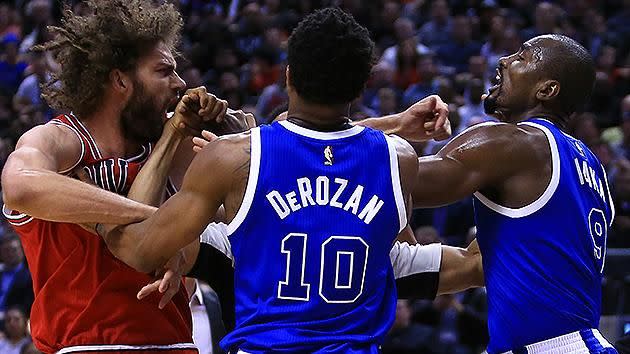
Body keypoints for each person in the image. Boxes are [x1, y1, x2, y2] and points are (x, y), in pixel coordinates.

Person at [97, 8, 480, 353]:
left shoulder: (235, 157)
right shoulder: (398, 159)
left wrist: (95, 212)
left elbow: (141, 251)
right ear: (363, 85)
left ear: (288, 76)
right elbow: (389, 241)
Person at [0, 0, 243, 352]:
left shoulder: (173, 148)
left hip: (176, 343)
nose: (179, 83)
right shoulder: (63, 141)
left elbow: (232, 230)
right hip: (85, 345)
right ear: (119, 80)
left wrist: (234, 137)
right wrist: (154, 219)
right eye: (163, 71)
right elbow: (19, 186)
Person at [409, 34, 618, 353]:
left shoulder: (515, 143)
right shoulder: (589, 165)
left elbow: (392, 182)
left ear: (546, 90)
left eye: (522, 57)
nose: (504, 61)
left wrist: (390, 129)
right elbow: (477, 263)